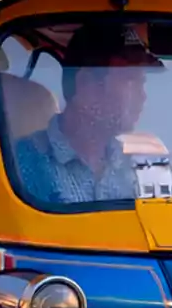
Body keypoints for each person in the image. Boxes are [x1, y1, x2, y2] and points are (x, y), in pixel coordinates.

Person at [9, 22, 163, 205]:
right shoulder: (21, 165)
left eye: (142, 82)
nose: (143, 96)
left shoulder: (136, 167)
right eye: (130, 80)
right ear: (86, 85)